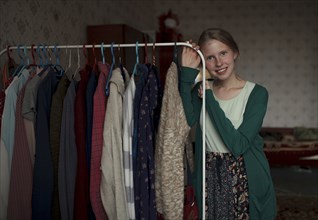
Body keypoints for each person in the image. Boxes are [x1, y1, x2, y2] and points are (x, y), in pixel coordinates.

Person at [180, 28, 277, 219]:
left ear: (235, 53)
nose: (218, 63)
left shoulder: (257, 94)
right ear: (203, 61)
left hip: (245, 175)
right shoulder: (201, 89)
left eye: (223, 53)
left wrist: (210, 100)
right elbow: (186, 121)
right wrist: (186, 75)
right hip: (209, 175)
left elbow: (238, 145)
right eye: (210, 57)